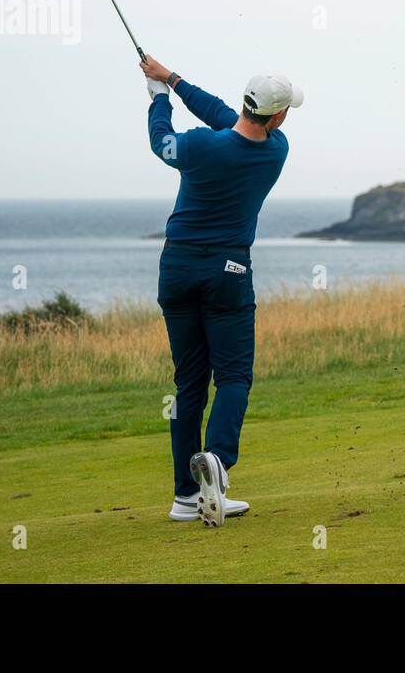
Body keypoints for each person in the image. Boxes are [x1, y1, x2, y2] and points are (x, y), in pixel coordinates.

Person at [139, 54, 302, 527]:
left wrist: (160, 95)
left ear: (245, 104)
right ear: (277, 116)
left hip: (177, 268)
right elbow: (228, 121)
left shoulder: (200, 148)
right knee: (232, 376)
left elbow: (162, 142)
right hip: (229, 271)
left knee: (189, 384)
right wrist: (171, 78)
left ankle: (185, 497)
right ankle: (217, 462)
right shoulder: (277, 149)